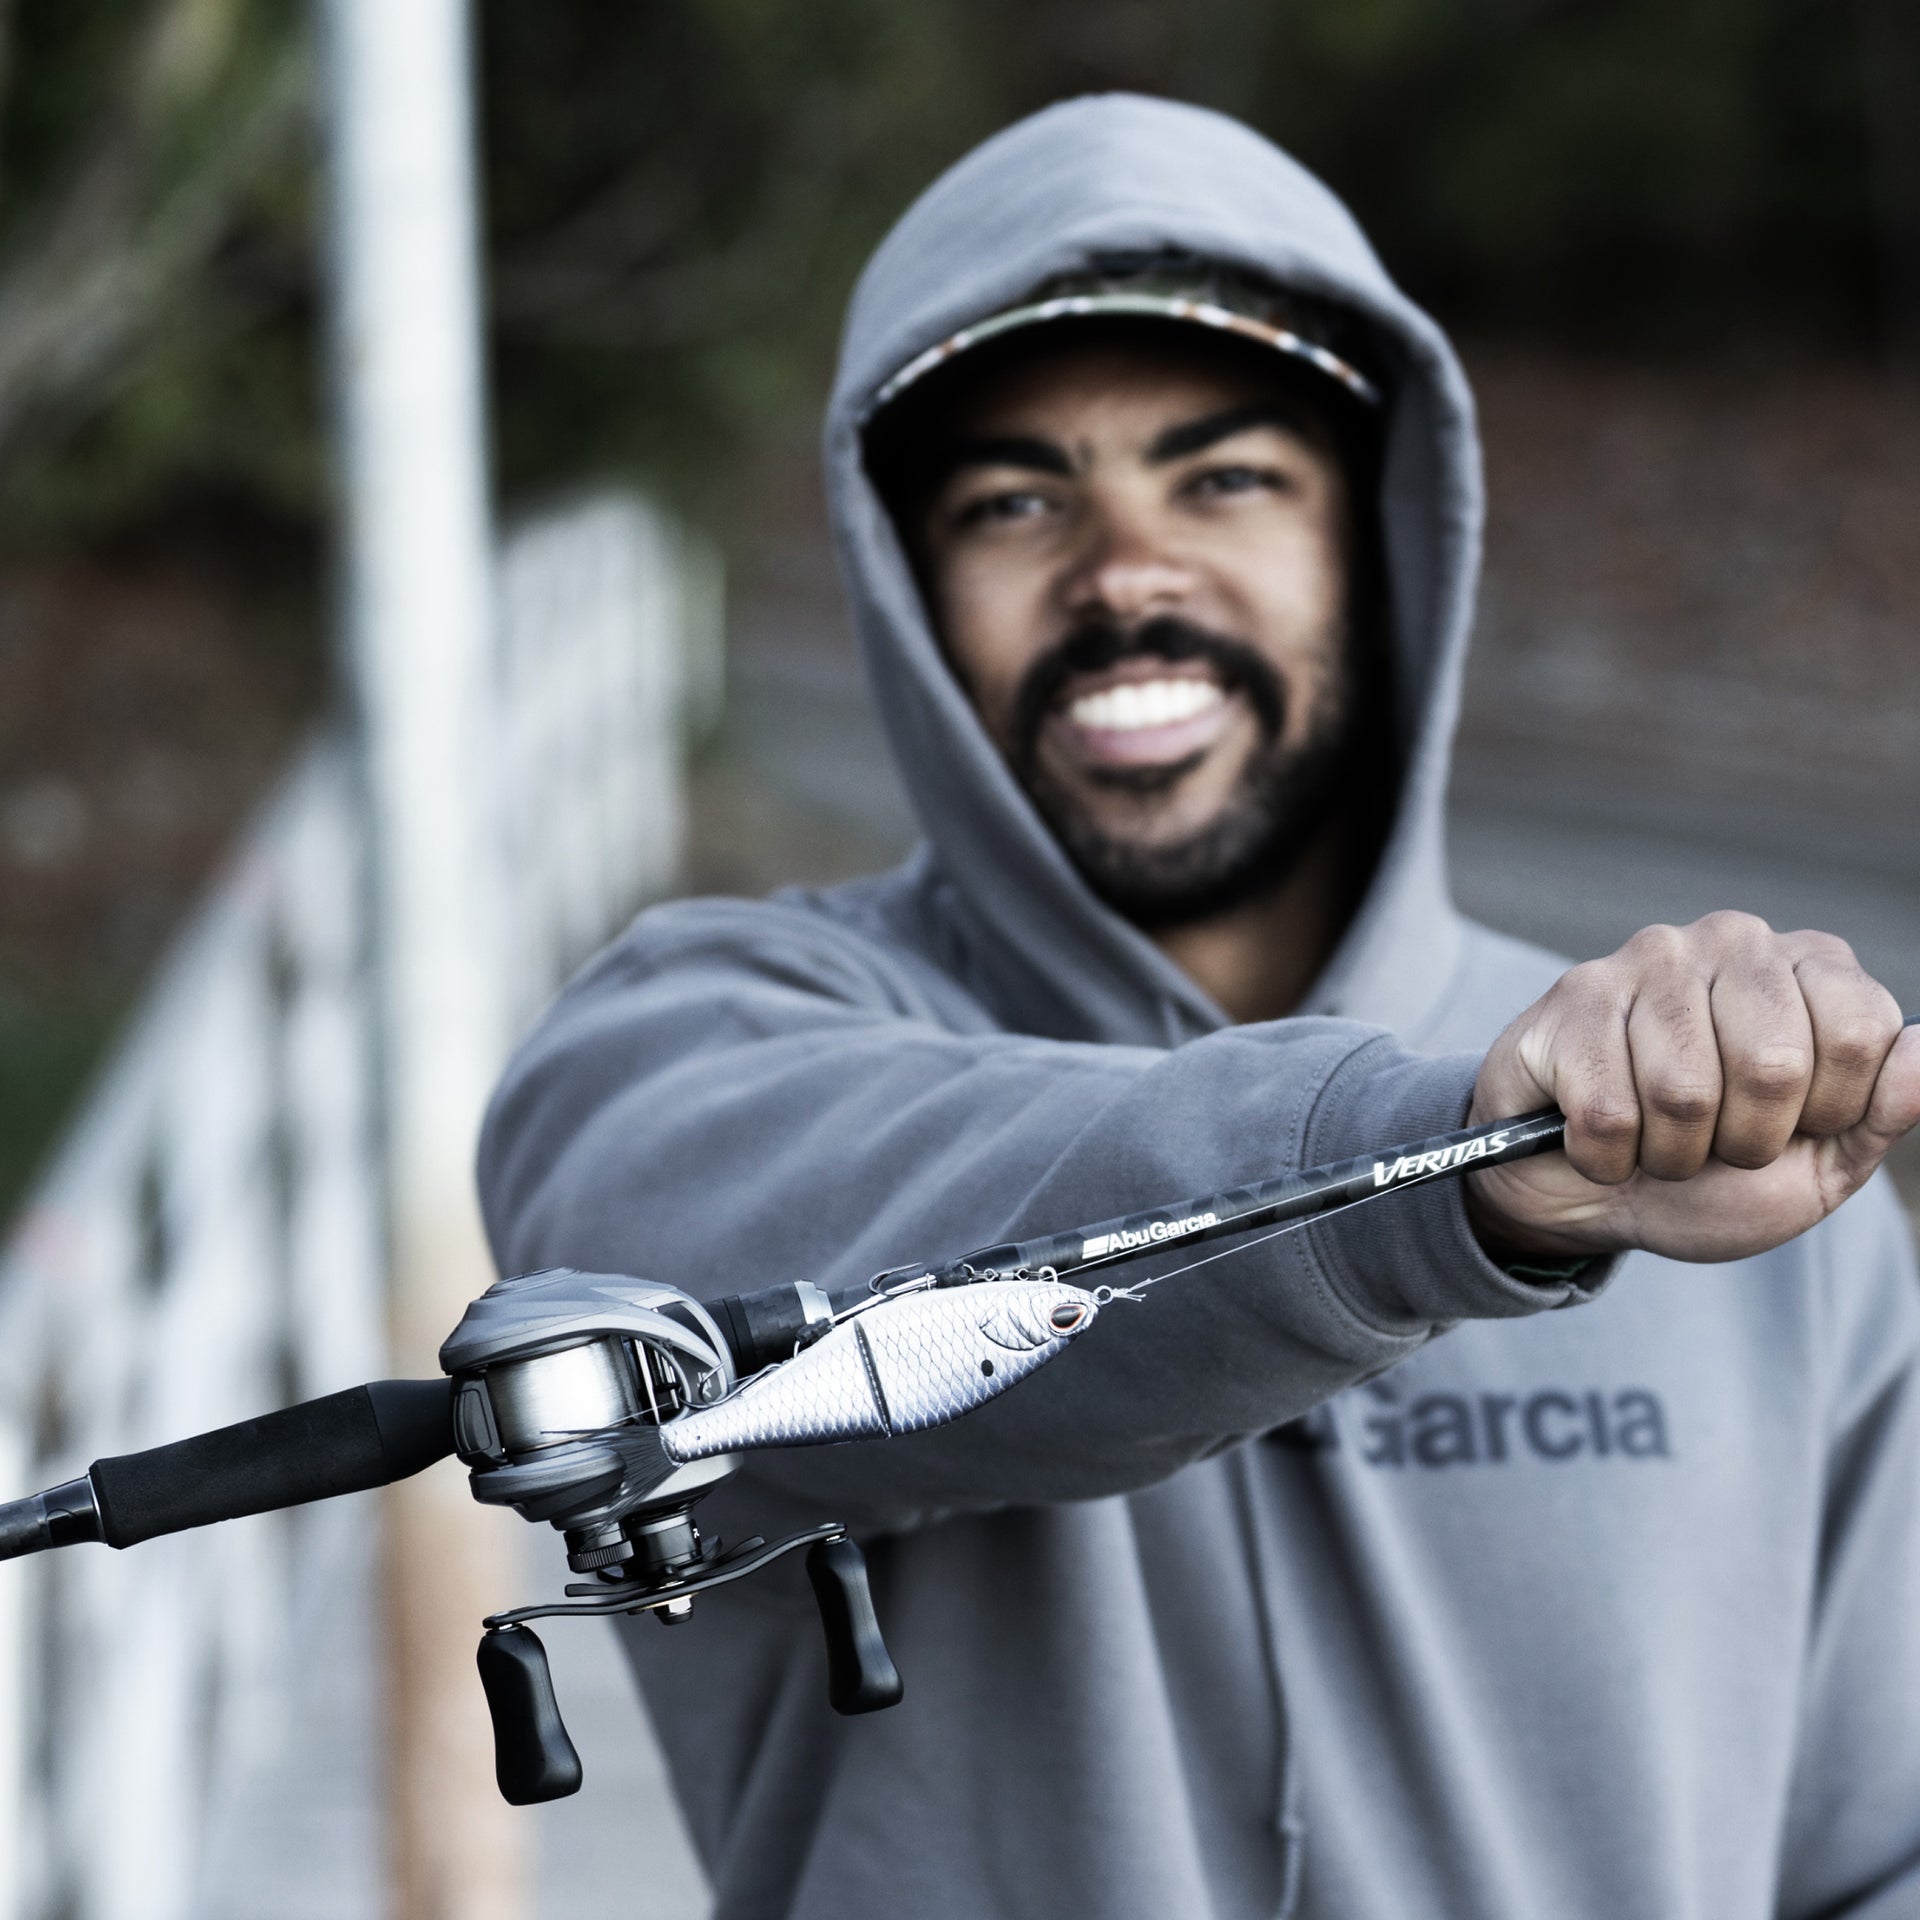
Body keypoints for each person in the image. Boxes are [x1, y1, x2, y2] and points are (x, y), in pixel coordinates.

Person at [478, 96, 1920, 1919]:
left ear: (1382, 548)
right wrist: (1460, 1182)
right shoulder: (687, 1049)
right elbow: (727, 1264)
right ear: (902, 597)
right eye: (1016, 502)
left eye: (1226, 478)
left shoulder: (1732, 1144)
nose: (1126, 572)